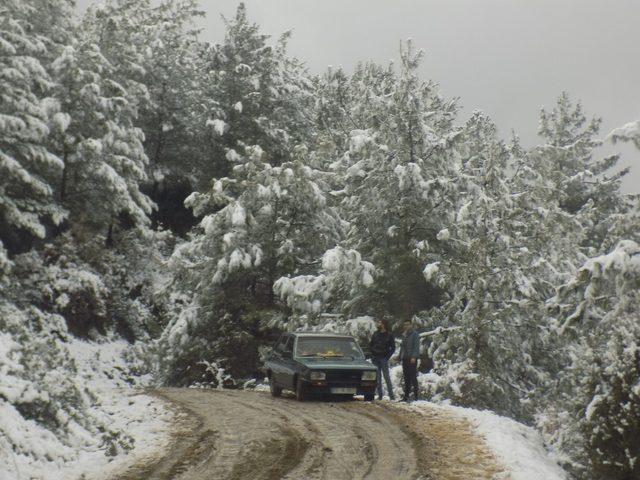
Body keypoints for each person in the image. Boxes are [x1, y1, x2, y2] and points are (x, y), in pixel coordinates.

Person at [369, 319, 395, 400]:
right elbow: (371, 344)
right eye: (379, 322)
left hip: (384, 358)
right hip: (375, 358)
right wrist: (372, 353)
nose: (379, 324)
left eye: (381, 323)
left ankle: (391, 396)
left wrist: (387, 357)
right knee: (378, 378)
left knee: (387, 377)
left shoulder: (389, 335)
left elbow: (393, 347)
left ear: (384, 324)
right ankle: (380, 396)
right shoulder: (376, 334)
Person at [399, 319, 420, 402]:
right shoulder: (404, 335)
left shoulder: (415, 334)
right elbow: (402, 347)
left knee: (413, 377)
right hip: (405, 358)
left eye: (408, 324)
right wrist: (399, 356)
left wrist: (414, 357)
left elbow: (416, 346)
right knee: (406, 377)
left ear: (411, 325)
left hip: (412, 359)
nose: (406, 326)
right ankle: (406, 396)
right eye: (405, 325)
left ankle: (416, 397)